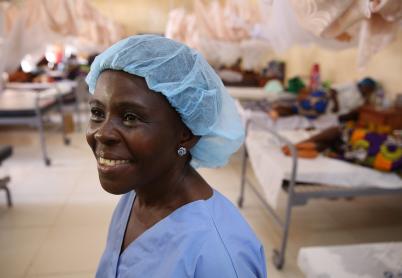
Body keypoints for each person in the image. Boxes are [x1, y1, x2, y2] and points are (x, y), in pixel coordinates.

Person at [85, 35, 267, 278]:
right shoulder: (137, 193)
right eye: (97, 112)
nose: (102, 133)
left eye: (130, 117)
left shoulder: (219, 255)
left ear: (186, 135)